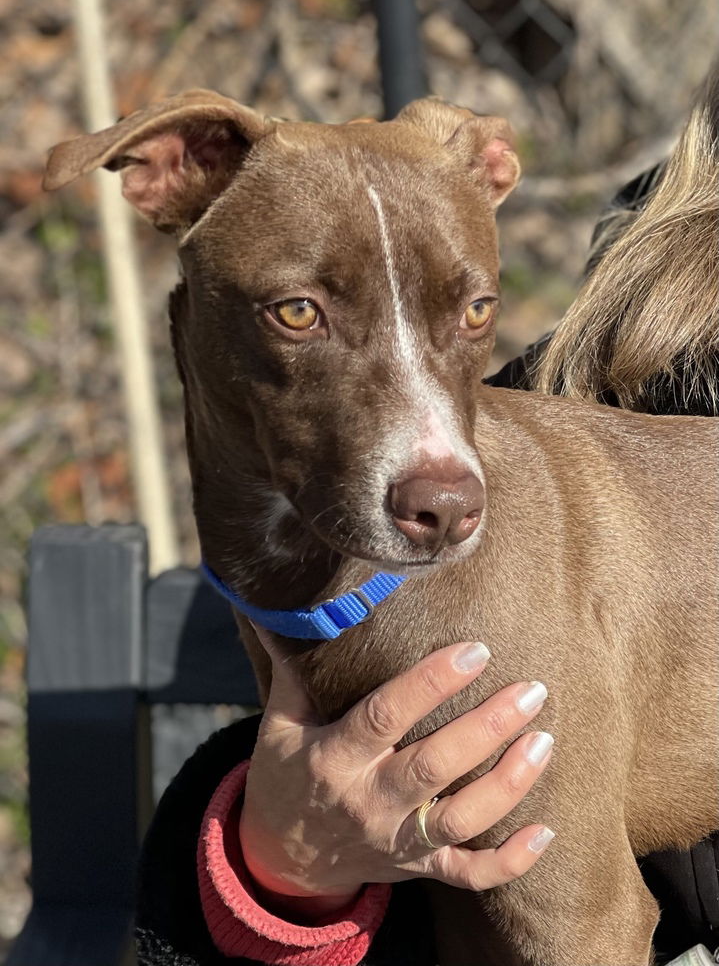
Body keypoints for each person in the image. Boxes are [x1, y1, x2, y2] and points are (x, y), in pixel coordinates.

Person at [137, 78, 719, 966]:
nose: (438, 460)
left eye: (472, 311)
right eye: (299, 313)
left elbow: (583, 931)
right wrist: (278, 875)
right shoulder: (585, 380)